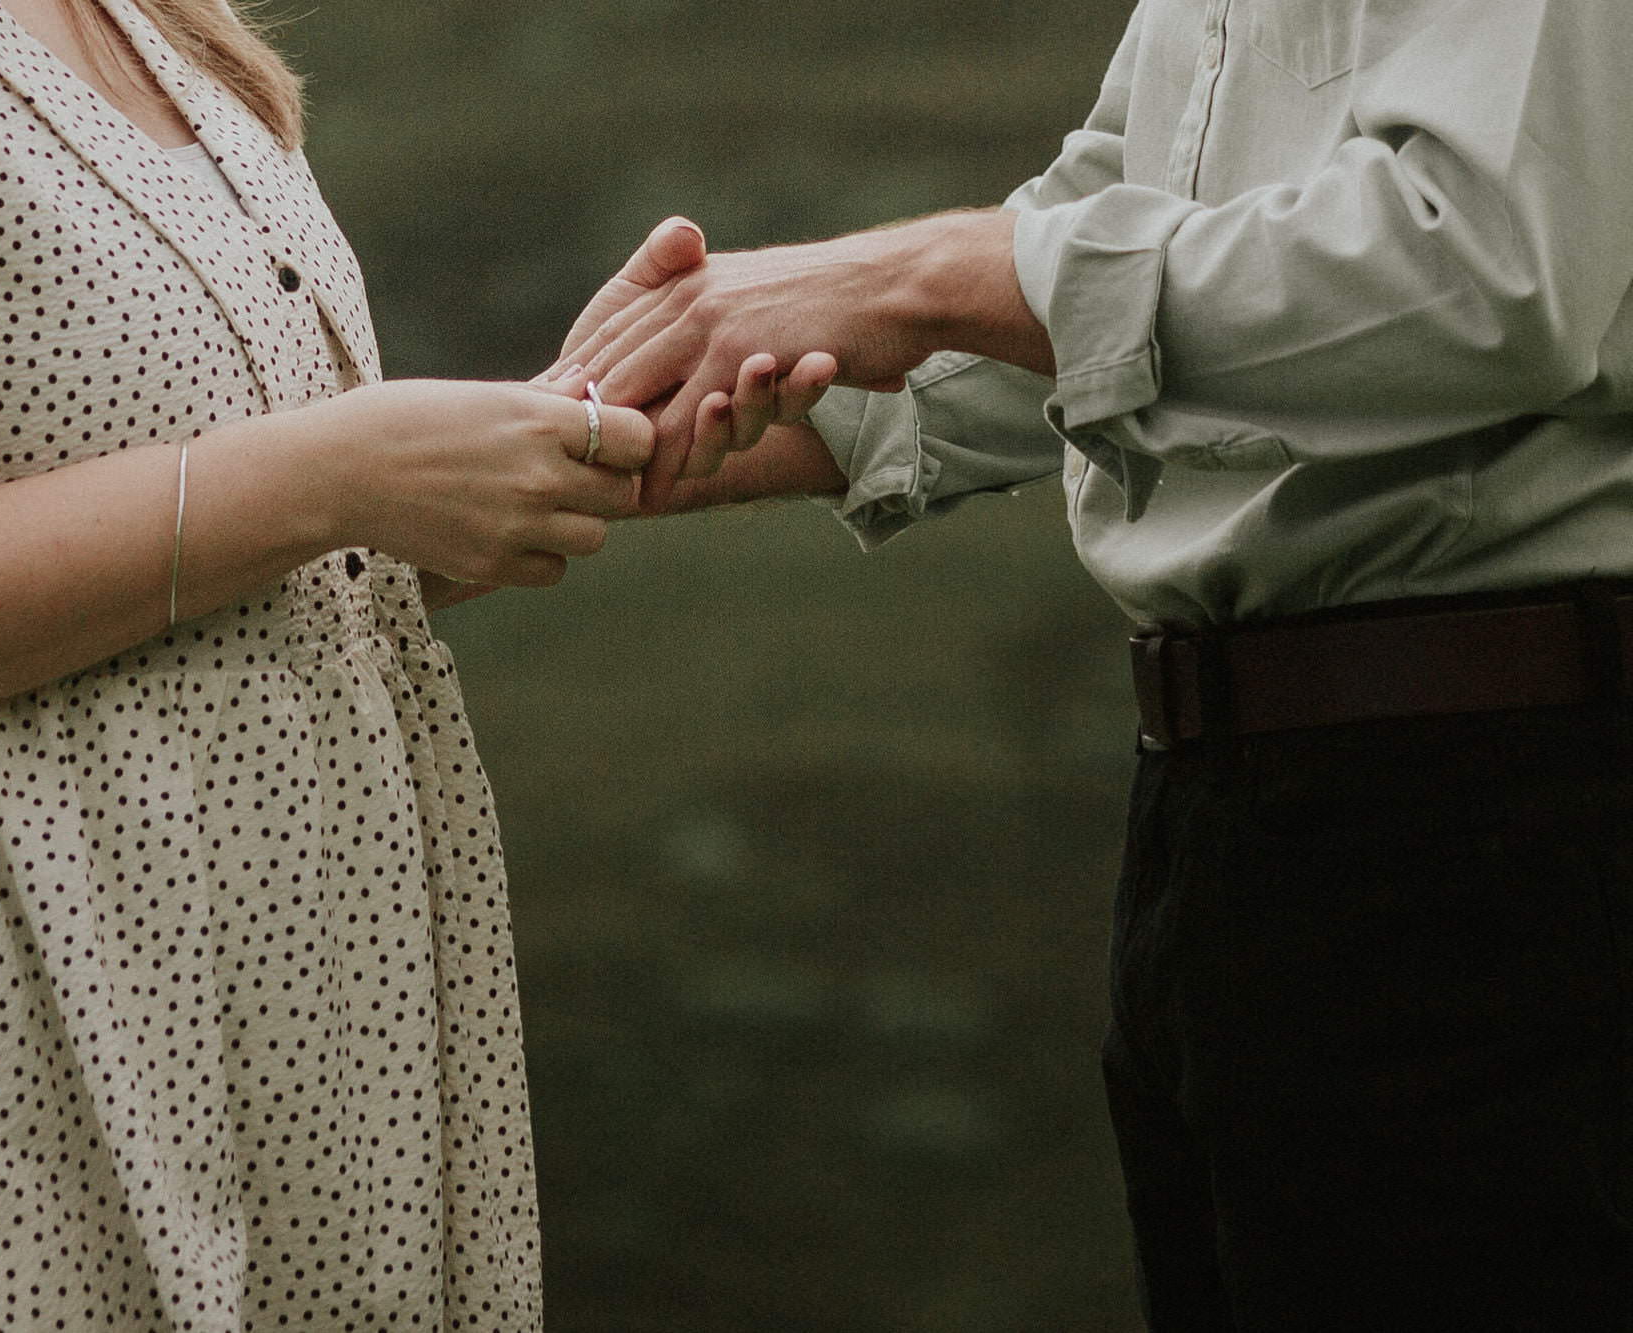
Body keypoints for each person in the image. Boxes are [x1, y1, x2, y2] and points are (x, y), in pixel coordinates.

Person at [0, 1, 827, 1328]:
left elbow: (172, 540)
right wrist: (334, 476)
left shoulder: (138, 17)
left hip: (259, 1101)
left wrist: (508, 462)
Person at [567, 0, 1633, 1326]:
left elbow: (1483, 270)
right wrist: (641, 426)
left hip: (1501, 826)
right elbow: (1116, 263)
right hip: (1250, 839)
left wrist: (906, 280)